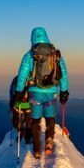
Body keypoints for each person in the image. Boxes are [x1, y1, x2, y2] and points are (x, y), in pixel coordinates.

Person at [13, 27, 69, 158]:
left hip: (35, 93)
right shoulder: (55, 54)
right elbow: (63, 75)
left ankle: (37, 149)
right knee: (50, 117)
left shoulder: (30, 55)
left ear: (32, 38)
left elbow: (22, 74)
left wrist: (19, 91)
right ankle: (49, 140)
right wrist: (64, 91)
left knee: (35, 120)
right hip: (52, 92)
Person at [9, 75, 32, 145]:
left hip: (18, 104)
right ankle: (28, 137)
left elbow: (12, 92)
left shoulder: (16, 79)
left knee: (19, 121)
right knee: (28, 121)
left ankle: (21, 133)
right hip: (29, 104)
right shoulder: (32, 79)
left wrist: (12, 103)